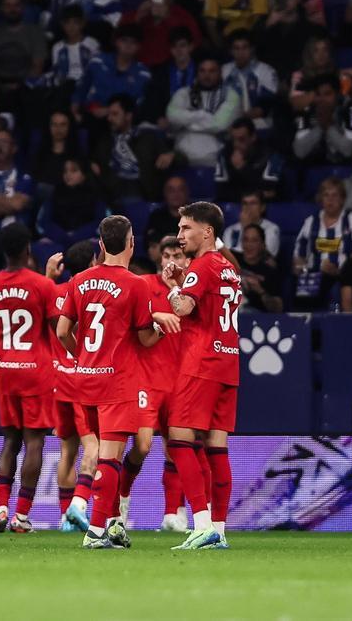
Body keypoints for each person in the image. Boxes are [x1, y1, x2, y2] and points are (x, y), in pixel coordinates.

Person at [56, 215, 161, 549]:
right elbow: (145, 338)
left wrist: (84, 357)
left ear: (101, 245)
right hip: (117, 382)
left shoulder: (79, 281)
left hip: (84, 380)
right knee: (111, 458)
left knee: (98, 453)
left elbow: (62, 332)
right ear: (131, 243)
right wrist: (160, 328)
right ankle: (97, 531)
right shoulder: (137, 285)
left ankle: (104, 527)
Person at [150, 201, 240, 551]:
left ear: (207, 232)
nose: (179, 234)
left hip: (201, 361)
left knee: (179, 440)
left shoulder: (202, 266)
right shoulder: (229, 268)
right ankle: (218, 528)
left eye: (186, 228)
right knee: (217, 449)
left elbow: (184, 308)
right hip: (228, 362)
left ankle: (201, 524)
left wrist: (173, 288)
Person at [0, 222, 59, 534]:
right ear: (28, 250)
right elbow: (57, 329)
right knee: (34, 441)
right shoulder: (43, 286)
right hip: (37, 371)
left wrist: (1, 356)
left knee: (10, 439)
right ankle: (21, 516)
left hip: (6, 369)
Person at [117, 236, 187, 532]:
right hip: (146, 379)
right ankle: (120, 502)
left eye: (178, 255)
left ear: (186, 260)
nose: (172, 260)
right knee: (142, 447)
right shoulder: (143, 285)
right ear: (160, 257)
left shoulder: (190, 292)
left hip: (180, 380)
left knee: (177, 448)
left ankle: (174, 513)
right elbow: (126, 319)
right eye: (167, 254)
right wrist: (154, 315)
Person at [45, 239, 99, 532]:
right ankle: (78, 506)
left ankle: (64, 516)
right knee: (95, 446)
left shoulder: (52, 292)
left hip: (58, 381)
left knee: (67, 451)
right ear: (92, 263)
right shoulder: (92, 293)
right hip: (82, 378)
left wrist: (49, 277)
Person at [294, 176, 352, 310]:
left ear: (342, 199)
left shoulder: (351, 221)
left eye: (334, 195)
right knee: (301, 286)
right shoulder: (311, 221)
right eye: (326, 195)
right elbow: (298, 254)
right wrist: (301, 268)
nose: (330, 200)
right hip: (313, 276)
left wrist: (338, 272)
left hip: (343, 276)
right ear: (321, 199)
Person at [90, 94, 174, 202]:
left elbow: (179, 158)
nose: (109, 118)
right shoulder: (104, 141)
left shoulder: (148, 137)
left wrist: (171, 155)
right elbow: (94, 163)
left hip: (143, 194)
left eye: (115, 114)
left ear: (128, 116)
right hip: (113, 196)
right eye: (109, 114)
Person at [73, 24, 152, 129]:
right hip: (91, 114)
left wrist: (110, 111)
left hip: (122, 121)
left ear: (139, 47)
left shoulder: (144, 74)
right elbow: (81, 88)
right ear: (116, 42)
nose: (128, 45)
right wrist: (74, 110)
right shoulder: (98, 61)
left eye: (133, 42)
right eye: (124, 40)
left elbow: (138, 105)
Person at [166, 55, 239, 167]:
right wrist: (203, 115)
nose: (207, 75)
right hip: (182, 156)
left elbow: (219, 124)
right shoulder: (183, 93)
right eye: (202, 71)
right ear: (197, 73)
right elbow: (172, 117)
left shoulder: (231, 95)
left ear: (220, 73)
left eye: (212, 71)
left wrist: (186, 121)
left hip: (216, 157)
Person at [122, 0, 202, 68]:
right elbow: (118, 43)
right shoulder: (134, 14)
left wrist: (168, 18)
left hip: (170, 70)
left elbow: (195, 43)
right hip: (136, 68)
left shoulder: (182, 15)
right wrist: (137, 19)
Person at [257, 0, 327, 80]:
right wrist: (268, 24)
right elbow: (252, 49)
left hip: (302, 80)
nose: (285, 1)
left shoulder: (311, 27)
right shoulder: (265, 24)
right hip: (269, 80)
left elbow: (323, 52)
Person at [292, 74, 352, 165]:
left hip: (347, 168)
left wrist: (328, 127)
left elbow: (351, 151)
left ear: (338, 94)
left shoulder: (351, 110)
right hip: (316, 167)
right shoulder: (307, 111)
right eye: (318, 95)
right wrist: (320, 128)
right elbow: (299, 152)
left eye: (327, 94)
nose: (322, 99)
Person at [0, 0, 49, 89]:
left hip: (27, 88)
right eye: (8, 5)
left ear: (23, 7)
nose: (12, 9)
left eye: (16, 5)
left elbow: (37, 67)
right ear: (1, 8)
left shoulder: (36, 33)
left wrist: (20, 87)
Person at [213, 118, 283, 203]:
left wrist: (242, 169)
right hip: (233, 208)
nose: (236, 144)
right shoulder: (225, 154)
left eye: (241, 139)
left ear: (253, 137)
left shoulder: (269, 155)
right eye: (233, 139)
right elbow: (221, 192)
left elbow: (268, 192)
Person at [222, 30, 277, 133]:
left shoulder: (266, 71)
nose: (240, 53)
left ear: (252, 49)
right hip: (228, 124)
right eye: (236, 48)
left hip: (259, 124)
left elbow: (265, 105)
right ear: (230, 51)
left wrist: (240, 120)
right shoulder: (223, 71)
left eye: (245, 47)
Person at [41, 158, 102, 239]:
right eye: (65, 171)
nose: (68, 174)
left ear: (84, 174)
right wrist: (61, 235)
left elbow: (101, 222)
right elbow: (44, 221)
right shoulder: (55, 194)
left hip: (87, 239)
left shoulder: (96, 195)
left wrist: (78, 235)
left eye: (74, 171)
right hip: (58, 239)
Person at [31, 110, 82, 195]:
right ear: (49, 127)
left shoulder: (78, 154)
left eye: (63, 125)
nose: (58, 129)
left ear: (69, 127)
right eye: (54, 124)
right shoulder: (39, 154)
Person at [235, 224, 283, 312]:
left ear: (262, 245)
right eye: (246, 240)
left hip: (253, 316)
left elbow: (278, 309)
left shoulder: (270, 272)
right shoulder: (231, 258)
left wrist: (260, 291)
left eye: (254, 241)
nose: (249, 245)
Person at [222, 189, 281, 255]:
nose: (248, 207)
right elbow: (228, 258)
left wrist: (246, 227)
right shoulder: (230, 230)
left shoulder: (271, 229)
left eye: (253, 203)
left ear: (262, 207)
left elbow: (263, 257)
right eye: (245, 203)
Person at [288, 35, 337, 112]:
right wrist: (316, 93)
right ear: (310, 54)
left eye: (325, 50)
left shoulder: (336, 73)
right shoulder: (299, 75)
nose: (321, 55)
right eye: (316, 50)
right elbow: (295, 104)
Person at [146, 175, 190, 258]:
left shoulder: (195, 216)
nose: (176, 194)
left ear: (187, 192)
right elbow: (151, 245)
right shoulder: (156, 217)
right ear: (165, 193)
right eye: (171, 190)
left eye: (180, 189)